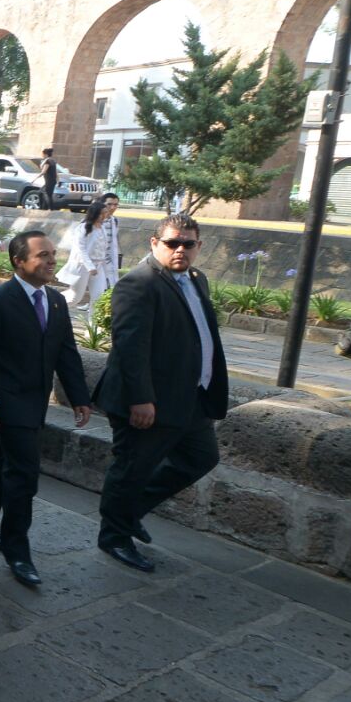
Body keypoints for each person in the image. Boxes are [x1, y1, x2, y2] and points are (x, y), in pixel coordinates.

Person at [92, 214, 227, 572]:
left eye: (188, 243)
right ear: (155, 244)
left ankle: (130, 511)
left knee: (201, 457)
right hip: (147, 400)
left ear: (199, 246)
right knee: (132, 468)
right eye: (172, 243)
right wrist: (140, 398)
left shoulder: (197, 280)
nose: (180, 249)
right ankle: (114, 536)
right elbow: (130, 347)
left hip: (189, 397)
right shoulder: (139, 284)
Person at [0, 231, 92, 585]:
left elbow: (66, 351)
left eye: (53, 254)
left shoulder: (57, 301)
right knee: (24, 474)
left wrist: (79, 396)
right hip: (7, 401)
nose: (52, 261)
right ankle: (17, 551)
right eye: (43, 256)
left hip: (35, 400)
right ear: (19, 261)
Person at [57, 198, 112, 310]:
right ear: (95, 214)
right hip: (82, 267)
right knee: (74, 297)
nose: (106, 215)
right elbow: (80, 249)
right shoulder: (83, 228)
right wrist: (90, 266)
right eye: (103, 213)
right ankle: (52, 304)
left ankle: (93, 326)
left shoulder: (102, 228)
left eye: (106, 213)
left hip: (98, 267)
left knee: (98, 298)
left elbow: (104, 249)